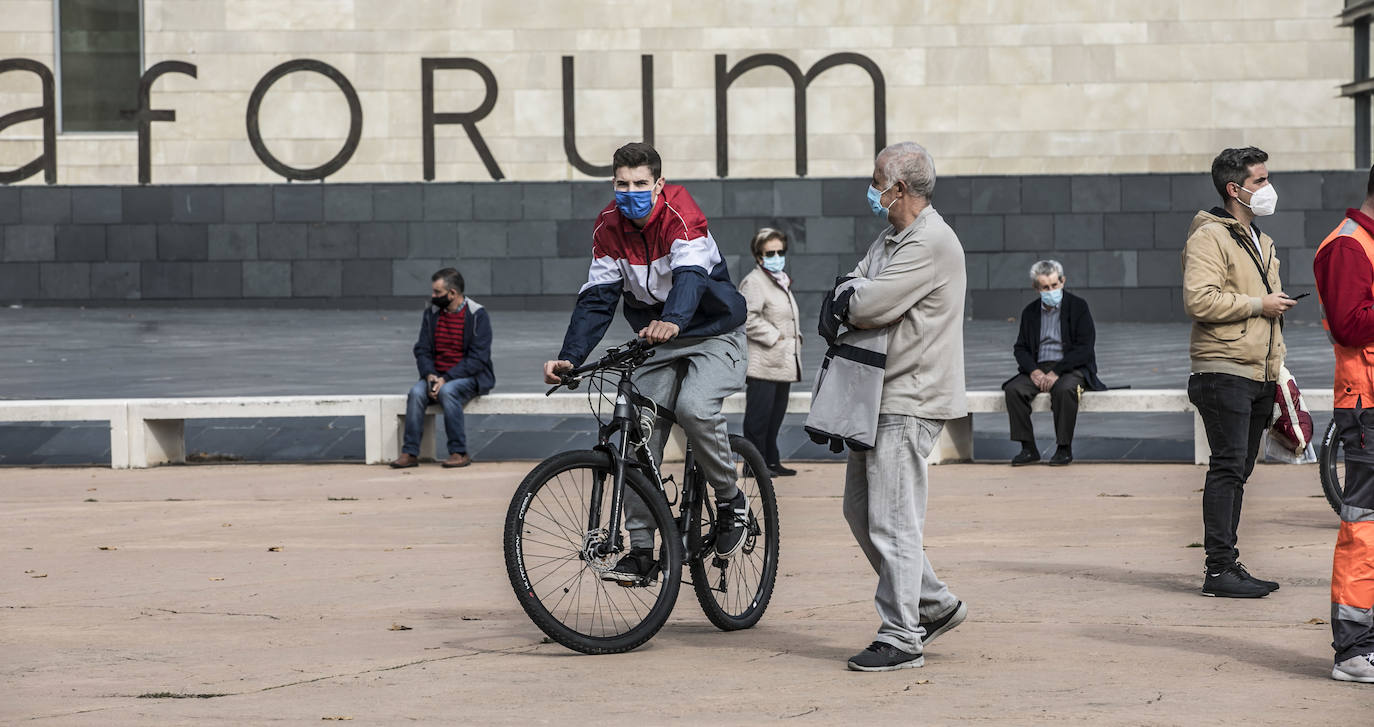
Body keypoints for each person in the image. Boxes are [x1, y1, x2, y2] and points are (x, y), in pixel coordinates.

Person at [541, 142, 750, 582]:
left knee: (695, 408)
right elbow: (597, 298)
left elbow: (691, 277)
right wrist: (569, 357)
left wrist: (673, 319)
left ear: (659, 184)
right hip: (658, 337)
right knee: (637, 431)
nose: (630, 191)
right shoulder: (608, 228)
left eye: (640, 183)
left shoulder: (681, 213)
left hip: (713, 332)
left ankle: (732, 501)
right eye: (621, 183)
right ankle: (640, 549)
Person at [840, 141, 967, 672]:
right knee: (861, 511)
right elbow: (853, 281)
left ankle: (901, 636)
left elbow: (865, 302)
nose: (871, 188)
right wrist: (854, 293)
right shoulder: (894, 237)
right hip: (881, 393)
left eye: (877, 180)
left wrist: (855, 296)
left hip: (909, 395)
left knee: (893, 521)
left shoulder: (929, 241)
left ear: (901, 188)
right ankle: (932, 604)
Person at [1181, 146, 1295, 598]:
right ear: (1235, 189)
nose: (1269, 188)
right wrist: (1259, 304)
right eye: (1261, 180)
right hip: (1222, 370)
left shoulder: (1260, 240)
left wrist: (1278, 363)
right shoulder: (1210, 237)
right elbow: (1199, 300)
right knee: (1227, 467)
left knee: (1239, 469)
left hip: (1258, 372)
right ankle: (1218, 570)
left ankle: (1228, 562)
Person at [1313, 167, 1374, 683]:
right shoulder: (1348, 247)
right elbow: (1353, 324)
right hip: (1366, 406)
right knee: (1365, 528)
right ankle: (1353, 652)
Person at [1002, 259, 1107, 467]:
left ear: (1063, 281)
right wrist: (1033, 371)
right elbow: (1020, 348)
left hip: (1070, 368)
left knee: (1064, 390)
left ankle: (1063, 448)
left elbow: (1085, 348)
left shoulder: (1078, 307)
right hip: (1039, 367)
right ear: (1036, 288)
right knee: (1014, 390)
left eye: (1054, 285)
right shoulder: (1030, 312)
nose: (1051, 290)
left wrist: (1056, 372)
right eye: (1045, 287)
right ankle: (1028, 447)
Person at [390, 268, 494, 469]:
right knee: (416, 393)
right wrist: (430, 375)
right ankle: (410, 453)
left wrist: (445, 379)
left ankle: (459, 452)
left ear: (453, 293)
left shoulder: (477, 315)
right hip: (436, 375)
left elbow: (478, 359)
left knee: (448, 392)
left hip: (469, 377)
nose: (433, 296)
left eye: (437, 292)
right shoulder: (432, 314)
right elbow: (422, 349)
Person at [739, 227, 802, 478]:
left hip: (782, 361)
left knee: (775, 417)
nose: (776, 256)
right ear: (758, 256)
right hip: (764, 362)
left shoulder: (780, 279)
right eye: (770, 252)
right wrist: (775, 336)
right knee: (758, 419)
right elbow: (746, 317)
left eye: (780, 251)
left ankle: (771, 461)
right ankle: (754, 465)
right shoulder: (753, 282)